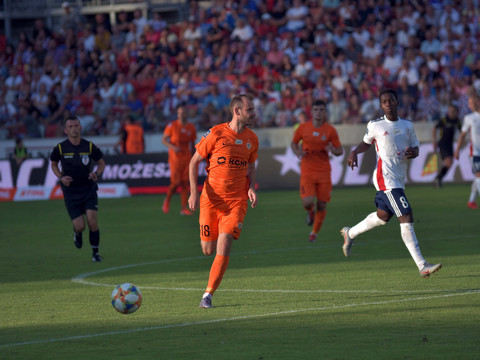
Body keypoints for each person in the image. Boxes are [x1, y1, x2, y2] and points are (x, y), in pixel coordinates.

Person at [340, 89, 442, 278]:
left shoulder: (407, 125)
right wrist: (354, 152)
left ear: (396, 102)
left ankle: (350, 233)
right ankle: (422, 265)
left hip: (398, 178)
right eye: (384, 101)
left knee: (382, 217)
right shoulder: (376, 125)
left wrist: (414, 152)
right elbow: (366, 142)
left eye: (390, 100)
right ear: (381, 105)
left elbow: (416, 148)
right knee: (406, 215)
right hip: (385, 178)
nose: (387, 103)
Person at [188, 94, 258, 309]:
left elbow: (251, 166)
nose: (253, 114)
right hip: (210, 199)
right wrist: (192, 193)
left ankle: (207, 295)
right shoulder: (216, 133)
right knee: (208, 250)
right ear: (237, 111)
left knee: (225, 242)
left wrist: (251, 187)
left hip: (236, 201)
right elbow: (193, 162)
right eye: (249, 110)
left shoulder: (252, 139)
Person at [50, 116, 106, 262]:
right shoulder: (61, 148)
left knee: (92, 221)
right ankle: (77, 233)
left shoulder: (89, 146)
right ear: (66, 130)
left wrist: (96, 173)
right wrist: (61, 178)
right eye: (70, 126)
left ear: (80, 127)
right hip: (71, 192)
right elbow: (54, 164)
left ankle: (95, 253)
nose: (74, 128)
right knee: (80, 226)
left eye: (76, 125)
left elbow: (101, 163)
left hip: (88, 189)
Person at [291, 99, 343, 242]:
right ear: (311, 112)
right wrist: (297, 153)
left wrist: (332, 149)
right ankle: (310, 211)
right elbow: (294, 143)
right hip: (307, 171)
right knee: (308, 202)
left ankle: (314, 233)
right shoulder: (302, 128)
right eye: (316, 110)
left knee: (322, 204)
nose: (318, 112)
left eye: (321, 110)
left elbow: (340, 150)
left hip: (324, 172)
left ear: (324, 112)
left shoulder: (330, 130)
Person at [162, 104, 197, 215]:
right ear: (177, 114)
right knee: (175, 182)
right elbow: (164, 140)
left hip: (186, 157)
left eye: (183, 113)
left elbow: (193, 143)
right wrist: (172, 147)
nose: (181, 115)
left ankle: (183, 208)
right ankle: (167, 199)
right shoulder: (172, 125)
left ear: (186, 114)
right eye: (179, 113)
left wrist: (195, 156)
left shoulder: (191, 127)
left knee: (185, 182)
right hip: (175, 158)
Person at [454, 94, 480, 210]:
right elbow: (462, 135)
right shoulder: (469, 118)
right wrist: (457, 150)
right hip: (475, 153)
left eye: (471, 103)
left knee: (477, 178)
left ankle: (471, 201)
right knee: (479, 175)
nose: (470, 105)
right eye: (469, 103)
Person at [432, 104, 461, 188]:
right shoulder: (444, 120)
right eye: (450, 111)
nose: (451, 113)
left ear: (456, 112)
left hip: (450, 144)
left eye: (453, 111)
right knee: (448, 161)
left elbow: (462, 131)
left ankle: (438, 178)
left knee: (450, 163)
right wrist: (434, 141)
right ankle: (438, 178)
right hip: (443, 143)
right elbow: (435, 128)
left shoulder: (457, 121)